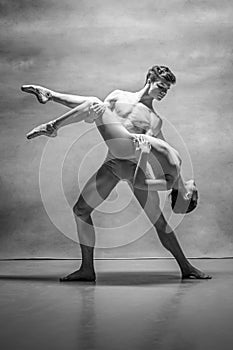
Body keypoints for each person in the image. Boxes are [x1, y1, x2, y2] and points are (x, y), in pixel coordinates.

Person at [21, 65, 211, 280]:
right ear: (149, 79)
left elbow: (162, 152)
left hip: (135, 166)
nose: (164, 92)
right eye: (161, 86)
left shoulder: (155, 120)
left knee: (159, 222)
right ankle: (87, 269)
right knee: (81, 210)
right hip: (112, 164)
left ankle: (186, 267)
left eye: (167, 89)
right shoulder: (118, 96)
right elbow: (90, 109)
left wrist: (178, 183)